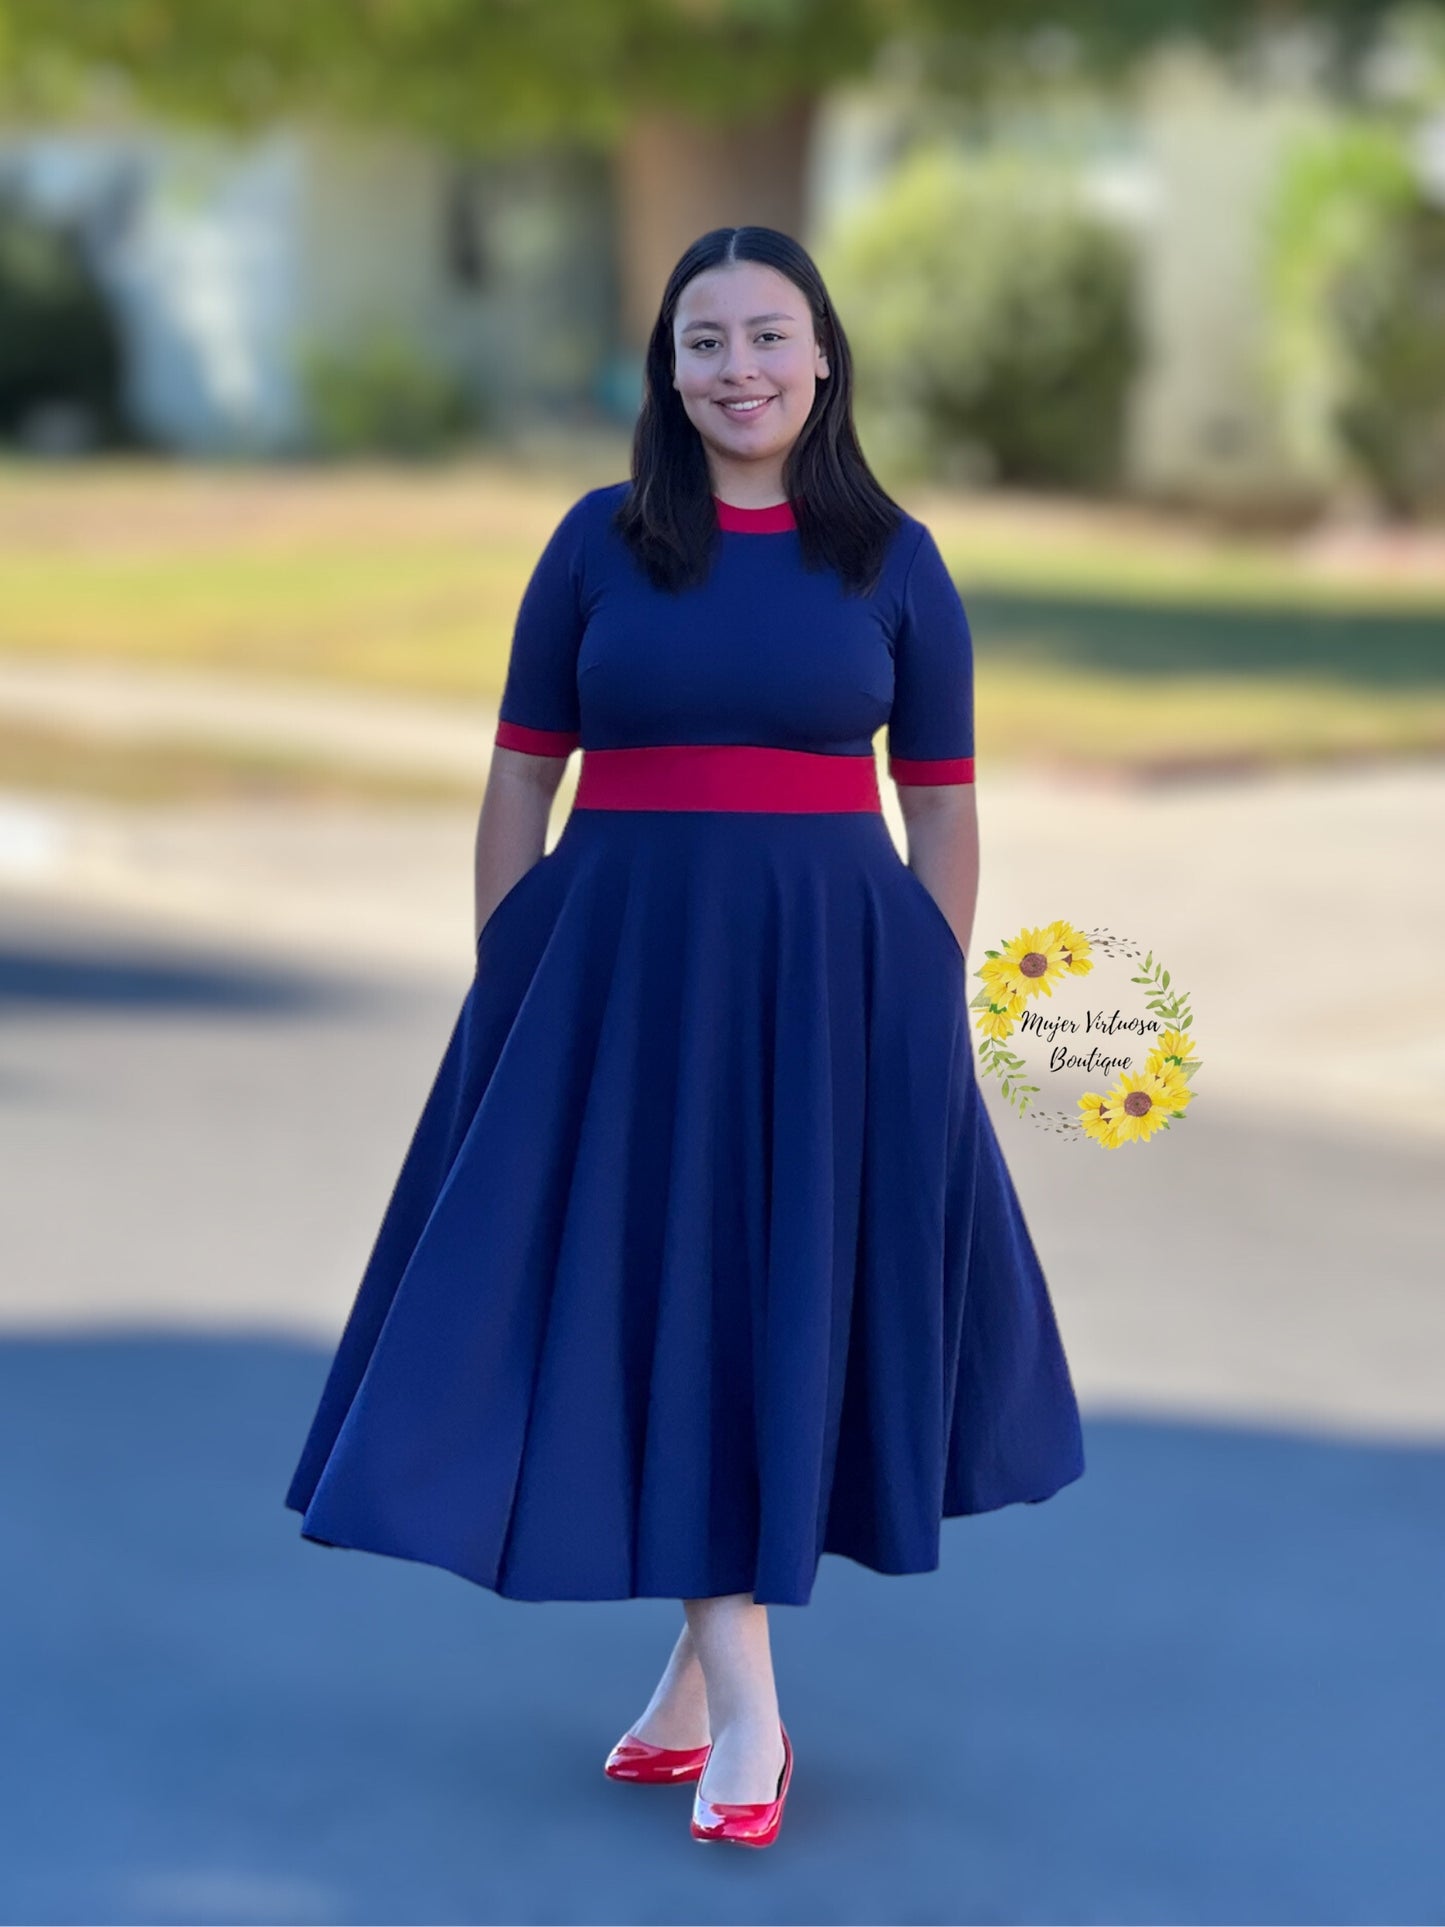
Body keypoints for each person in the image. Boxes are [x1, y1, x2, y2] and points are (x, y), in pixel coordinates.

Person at [284, 225, 1085, 1850]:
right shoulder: (596, 544)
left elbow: (941, 808)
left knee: (755, 1308)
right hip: (615, 980)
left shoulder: (895, 560)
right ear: (666, 367)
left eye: (768, 336)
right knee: (674, 1300)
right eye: (704, 341)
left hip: (834, 988)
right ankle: (751, 1713)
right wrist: (511, 958)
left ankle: (698, 1693)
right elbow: (521, 773)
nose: (739, 369)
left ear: (823, 355)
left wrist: (924, 991)